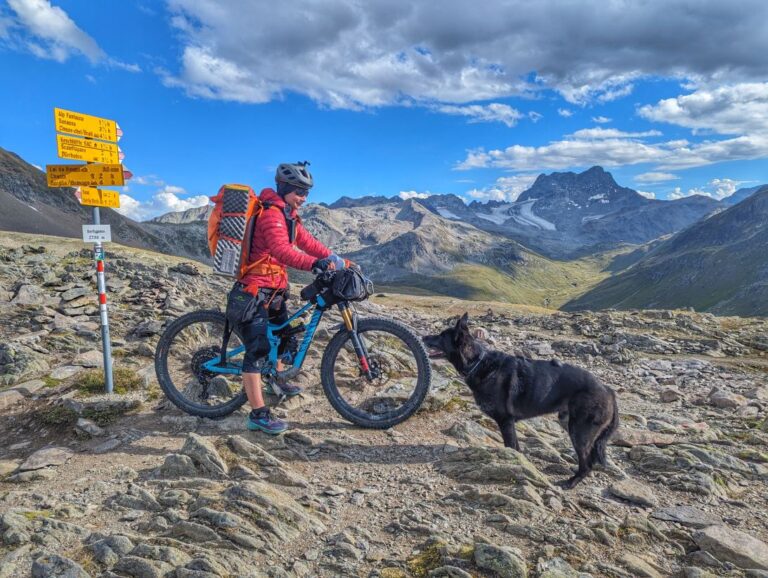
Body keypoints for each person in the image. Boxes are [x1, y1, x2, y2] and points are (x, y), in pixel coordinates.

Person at [225, 161, 349, 434]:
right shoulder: (271, 215)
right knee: (256, 351)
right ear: (284, 189)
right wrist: (313, 265)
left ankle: (277, 380)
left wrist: (338, 260)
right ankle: (257, 414)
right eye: (298, 192)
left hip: (275, 289)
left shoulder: (289, 215)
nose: (303, 198)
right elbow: (281, 250)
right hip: (253, 290)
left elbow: (308, 243)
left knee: (282, 337)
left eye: (306, 194)